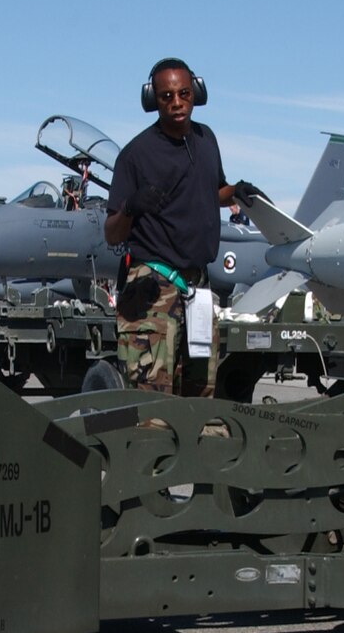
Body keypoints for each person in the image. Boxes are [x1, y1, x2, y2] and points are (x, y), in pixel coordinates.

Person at [104, 57, 261, 394]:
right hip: (151, 288)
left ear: (196, 94)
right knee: (152, 406)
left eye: (184, 93)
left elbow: (211, 190)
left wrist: (235, 192)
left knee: (200, 399)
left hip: (197, 288)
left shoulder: (206, 140)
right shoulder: (135, 155)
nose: (176, 103)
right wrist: (131, 207)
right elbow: (111, 233)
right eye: (166, 96)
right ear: (153, 100)